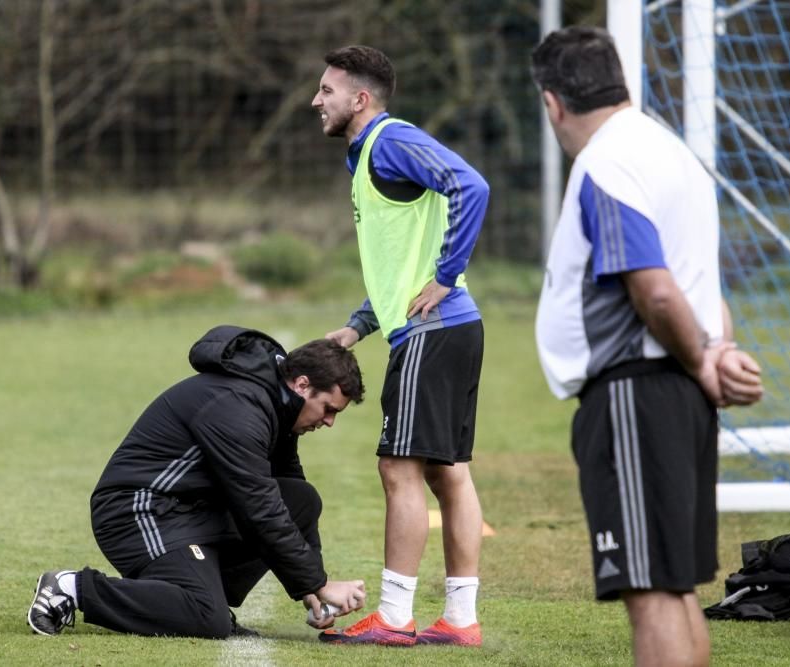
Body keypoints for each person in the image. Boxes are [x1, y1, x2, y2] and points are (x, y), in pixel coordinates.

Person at [530, 27, 764, 667]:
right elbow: (702, 283)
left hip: (636, 392)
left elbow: (657, 292)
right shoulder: (672, 152)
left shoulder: (607, 162)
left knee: (651, 593)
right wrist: (718, 351)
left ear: (552, 102)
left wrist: (700, 363)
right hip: (673, 392)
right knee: (673, 589)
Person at [310, 45, 490, 647]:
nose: (317, 100)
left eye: (327, 90)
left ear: (360, 99)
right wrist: (359, 326)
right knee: (449, 474)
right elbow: (398, 260)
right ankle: (460, 620)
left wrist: (447, 273)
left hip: (432, 335)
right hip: (451, 330)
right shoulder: (366, 157)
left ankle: (393, 616)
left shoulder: (389, 140)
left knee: (398, 467)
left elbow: (472, 185)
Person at [27, 325, 368, 639]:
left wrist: (308, 585)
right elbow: (258, 505)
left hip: (186, 510)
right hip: (137, 509)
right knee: (208, 617)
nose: (329, 422)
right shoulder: (239, 406)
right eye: (328, 409)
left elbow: (286, 494)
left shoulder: (276, 405)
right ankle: (71, 588)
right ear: (302, 385)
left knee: (302, 498)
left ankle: (201, 594)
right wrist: (321, 584)